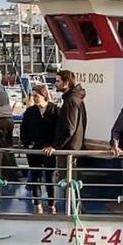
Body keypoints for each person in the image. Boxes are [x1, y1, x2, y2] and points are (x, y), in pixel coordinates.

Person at [44, 70, 86, 210]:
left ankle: (72, 212)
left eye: (58, 81)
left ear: (66, 83)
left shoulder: (70, 101)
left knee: (67, 183)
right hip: (74, 147)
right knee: (70, 183)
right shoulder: (77, 99)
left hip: (68, 149)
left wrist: (56, 146)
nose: (55, 84)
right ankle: (74, 210)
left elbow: (69, 128)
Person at [21, 85, 60, 213]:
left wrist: (54, 145)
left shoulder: (55, 110)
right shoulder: (30, 111)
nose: (34, 98)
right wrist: (27, 144)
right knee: (35, 176)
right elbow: (24, 129)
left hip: (49, 149)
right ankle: (37, 204)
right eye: (32, 96)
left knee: (51, 177)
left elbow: (59, 130)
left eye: (36, 96)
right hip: (34, 149)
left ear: (43, 96)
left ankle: (51, 204)